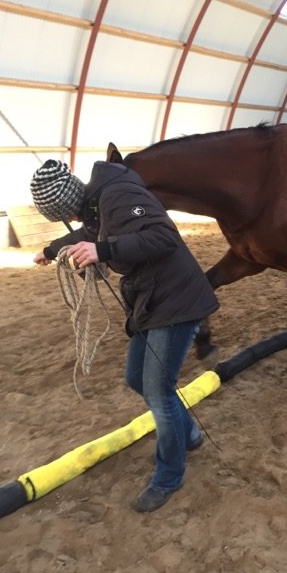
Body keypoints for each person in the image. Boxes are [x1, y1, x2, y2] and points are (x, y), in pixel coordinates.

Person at [30, 158, 219, 512]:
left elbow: (163, 237)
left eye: (64, 215)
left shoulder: (117, 195)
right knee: (136, 378)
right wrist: (53, 249)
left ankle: (169, 476)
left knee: (159, 392)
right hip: (152, 300)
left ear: (68, 202)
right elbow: (91, 233)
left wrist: (103, 251)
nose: (70, 221)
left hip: (176, 300)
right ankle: (189, 435)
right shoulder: (96, 206)